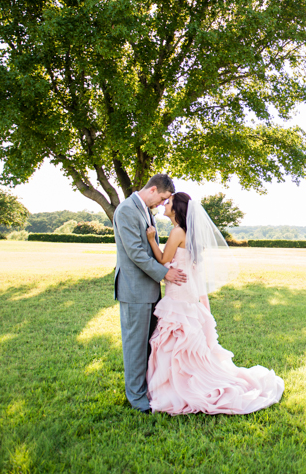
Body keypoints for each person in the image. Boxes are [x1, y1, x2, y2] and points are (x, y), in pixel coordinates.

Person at [143, 192, 284, 415]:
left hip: (178, 294)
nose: (164, 205)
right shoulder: (191, 234)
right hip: (187, 293)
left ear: (177, 209)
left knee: (173, 341)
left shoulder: (177, 231)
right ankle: (182, 380)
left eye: (168, 203)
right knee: (182, 343)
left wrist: (151, 240)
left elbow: (162, 260)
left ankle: (177, 387)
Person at [113, 173, 188, 413]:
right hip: (135, 289)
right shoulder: (126, 210)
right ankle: (137, 399)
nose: (162, 204)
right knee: (135, 346)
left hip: (150, 288)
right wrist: (165, 274)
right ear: (153, 189)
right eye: (163, 198)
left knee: (149, 345)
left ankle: (146, 389)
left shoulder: (145, 209)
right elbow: (135, 252)